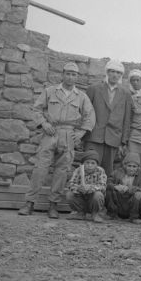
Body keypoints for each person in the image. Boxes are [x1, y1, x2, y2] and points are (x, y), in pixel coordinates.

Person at [18, 62, 95, 219]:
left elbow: (90, 115)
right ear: (62, 74)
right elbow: (36, 109)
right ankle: (29, 203)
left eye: (74, 74)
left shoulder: (81, 96)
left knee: (62, 171)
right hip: (51, 131)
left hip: (68, 134)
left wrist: (81, 133)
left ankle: (53, 206)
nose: (70, 76)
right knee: (40, 168)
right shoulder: (50, 91)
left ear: (77, 77)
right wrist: (44, 123)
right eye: (67, 73)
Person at [83, 59, 132, 177]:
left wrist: (123, 141)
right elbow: (84, 112)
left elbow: (127, 119)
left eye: (118, 73)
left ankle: (103, 195)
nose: (115, 75)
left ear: (121, 75)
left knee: (108, 171)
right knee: (90, 168)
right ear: (107, 72)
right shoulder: (94, 89)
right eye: (112, 71)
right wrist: (83, 133)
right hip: (94, 136)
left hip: (113, 137)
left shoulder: (125, 93)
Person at [105, 152, 141, 224]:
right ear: (124, 165)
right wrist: (116, 186)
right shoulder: (117, 172)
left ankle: (134, 217)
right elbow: (108, 183)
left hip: (131, 201)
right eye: (129, 166)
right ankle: (112, 214)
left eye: (134, 166)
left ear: (138, 167)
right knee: (109, 190)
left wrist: (129, 188)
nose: (131, 169)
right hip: (118, 200)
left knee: (139, 194)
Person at [66, 150, 107, 222]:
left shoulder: (100, 171)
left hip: (93, 198)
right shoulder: (78, 170)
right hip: (81, 197)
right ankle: (80, 213)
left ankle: (95, 214)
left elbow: (103, 186)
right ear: (83, 163)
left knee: (98, 195)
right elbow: (70, 184)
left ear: (97, 164)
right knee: (69, 194)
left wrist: (91, 188)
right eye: (87, 163)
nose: (90, 165)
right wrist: (78, 188)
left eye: (93, 163)